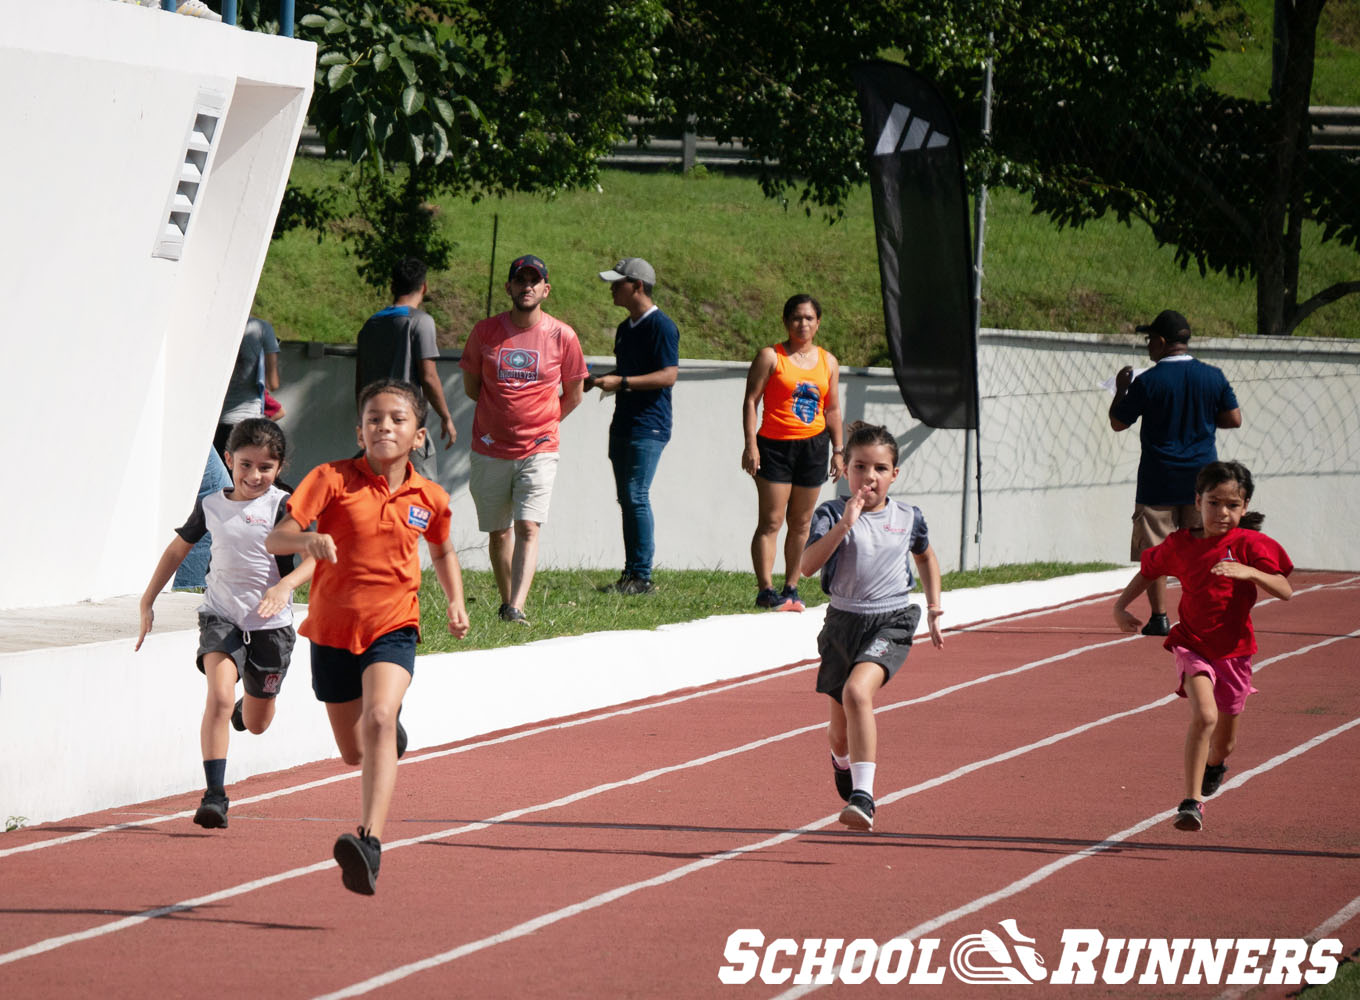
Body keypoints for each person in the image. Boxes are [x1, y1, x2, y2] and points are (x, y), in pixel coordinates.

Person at [266, 379, 470, 894]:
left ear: (419, 436)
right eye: (375, 418)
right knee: (354, 753)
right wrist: (306, 536)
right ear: (360, 430)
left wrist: (455, 601)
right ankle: (385, 737)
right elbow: (277, 536)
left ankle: (370, 843)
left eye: (398, 419)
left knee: (380, 716)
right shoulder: (331, 478)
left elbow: (442, 552)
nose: (385, 426)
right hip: (332, 630)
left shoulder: (431, 497)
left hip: (393, 625)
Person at [135, 418, 314, 830]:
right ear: (229, 460)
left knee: (257, 723)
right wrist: (148, 600)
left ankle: (245, 708)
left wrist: (284, 586)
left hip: (272, 626)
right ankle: (215, 795)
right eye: (246, 465)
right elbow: (177, 550)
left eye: (265, 468)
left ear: (279, 467)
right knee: (216, 697)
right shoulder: (211, 504)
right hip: (221, 616)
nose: (254, 476)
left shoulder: (285, 507)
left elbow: (314, 559)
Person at [1113, 461, 1293, 833]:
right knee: (1205, 716)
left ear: (1244, 507)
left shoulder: (1251, 545)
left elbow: (1285, 589)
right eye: (1213, 503)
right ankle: (1191, 802)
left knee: (1224, 743)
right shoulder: (1181, 545)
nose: (1221, 513)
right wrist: (1120, 606)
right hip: (1192, 644)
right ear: (1197, 501)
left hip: (1235, 653)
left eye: (1231, 505)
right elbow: (1150, 569)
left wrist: (1252, 572)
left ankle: (1215, 765)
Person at [799, 422, 944, 832]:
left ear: (894, 474)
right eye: (860, 467)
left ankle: (863, 797)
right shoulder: (831, 513)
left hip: (892, 620)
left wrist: (933, 608)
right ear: (846, 471)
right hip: (843, 622)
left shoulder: (907, 517)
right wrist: (846, 523)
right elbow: (807, 567)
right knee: (839, 733)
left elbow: (926, 558)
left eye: (880, 468)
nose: (870, 477)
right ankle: (842, 761)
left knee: (856, 691)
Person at [460, 253, 588, 625]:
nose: (527, 286)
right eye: (521, 280)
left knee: (528, 526)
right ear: (509, 287)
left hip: (540, 449)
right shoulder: (484, 332)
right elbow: (473, 387)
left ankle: (516, 605)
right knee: (499, 532)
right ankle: (506, 602)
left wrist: (543, 424)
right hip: (490, 448)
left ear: (546, 290)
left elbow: (574, 393)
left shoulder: (562, 335)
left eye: (535, 281)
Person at [1109, 309, 1242, 636]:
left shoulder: (1147, 381)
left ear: (1163, 341)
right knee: (1204, 548)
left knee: (1156, 553)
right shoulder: (1213, 376)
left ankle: (1159, 618)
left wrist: (1121, 389)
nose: (1147, 346)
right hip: (1203, 481)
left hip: (1158, 480)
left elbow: (1118, 422)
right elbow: (1234, 419)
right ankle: (1208, 613)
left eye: (1149, 339)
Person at [742, 294, 844, 612]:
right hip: (774, 445)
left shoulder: (828, 362)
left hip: (813, 446)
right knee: (771, 521)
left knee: (801, 523)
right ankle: (766, 589)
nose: (803, 324)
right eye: (797, 318)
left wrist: (838, 450)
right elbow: (750, 401)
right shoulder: (771, 357)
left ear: (818, 323)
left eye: (809, 318)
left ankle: (791, 586)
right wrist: (751, 445)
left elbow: (833, 409)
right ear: (786, 322)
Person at [587, 257, 680, 595]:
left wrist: (622, 382)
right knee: (627, 498)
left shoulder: (662, 327)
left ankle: (641, 577)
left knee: (636, 496)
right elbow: (629, 372)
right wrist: (600, 381)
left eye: (618, 283)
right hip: (624, 422)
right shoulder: (626, 329)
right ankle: (631, 575)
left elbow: (669, 375)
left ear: (637, 286)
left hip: (649, 425)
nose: (612, 289)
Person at [355, 257, 457, 479]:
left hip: (375, 431)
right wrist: (446, 416)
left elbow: (360, 380)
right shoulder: (420, 322)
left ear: (392, 286)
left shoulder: (370, 325)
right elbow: (428, 377)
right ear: (424, 287)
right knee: (420, 496)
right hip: (406, 428)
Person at [214, 316, 281, 462]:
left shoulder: (215, 324)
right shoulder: (262, 328)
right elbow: (273, 384)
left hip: (213, 421)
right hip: (247, 421)